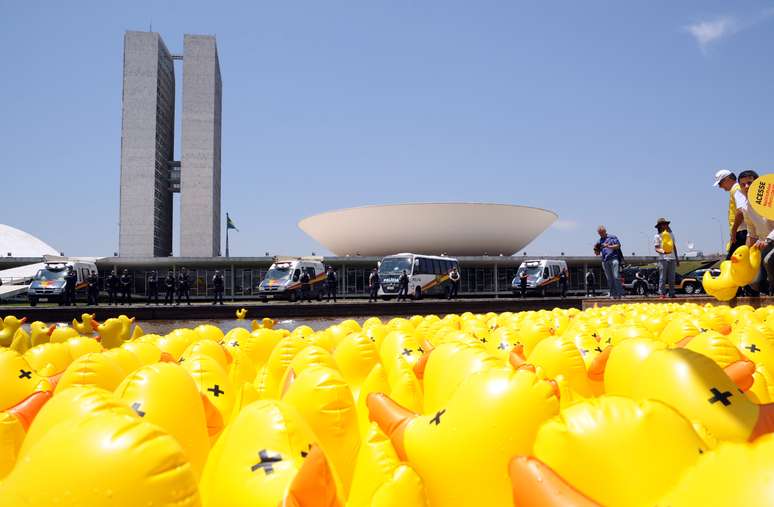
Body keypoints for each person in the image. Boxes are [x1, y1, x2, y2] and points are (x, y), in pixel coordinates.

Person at [737, 170, 774, 295]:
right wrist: (745, 255)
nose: (746, 187)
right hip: (764, 245)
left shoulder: (771, 200)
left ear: (758, 183)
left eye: (750, 183)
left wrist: (768, 240)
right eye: (743, 185)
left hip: (768, 243)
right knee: (753, 279)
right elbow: (751, 233)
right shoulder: (746, 208)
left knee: (769, 260)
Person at [714, 170, 748, 260]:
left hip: (741, 231)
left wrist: (734, 231)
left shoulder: (736, 189)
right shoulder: (735, 190)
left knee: (730, 262)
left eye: (720, 184)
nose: (720, 187)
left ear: (727, 179)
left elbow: (741, 211)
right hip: (741, 231)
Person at [594, 226, 624, 299]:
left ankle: (620, 294)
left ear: (605, 231)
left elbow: (618, 246)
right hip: (605, 261)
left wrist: (608, 246)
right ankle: (613, 294)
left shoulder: (612, 237)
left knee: (616, 276)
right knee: (609, 279)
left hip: (614, 258)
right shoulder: (599, 241)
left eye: (602, 232)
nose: (601, 234)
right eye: (599, 233)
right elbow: (597, 254)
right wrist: (596, 250)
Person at [654, 218, 679, 298]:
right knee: (662, 277)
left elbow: (674, 246)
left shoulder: (671, 234)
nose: (665, 225)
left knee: (672, 277)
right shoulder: (657, 236)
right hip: (663, 259)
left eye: (666, 224)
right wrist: (664, 252)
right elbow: (657, 248)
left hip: (672, 258)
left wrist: (677, 258)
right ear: (660, 226)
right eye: (663, 224)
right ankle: (661, 293)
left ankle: (672, 293)